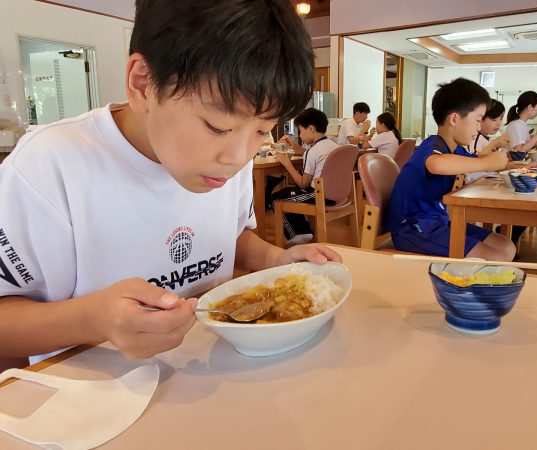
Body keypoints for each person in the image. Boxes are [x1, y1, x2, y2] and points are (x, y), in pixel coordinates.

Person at [0, 0, 340, 367]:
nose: (238, 156)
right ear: (143, 83)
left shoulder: (229, 160)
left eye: (262, 130)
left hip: (213, 371)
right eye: (217, 127)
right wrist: (93, 319)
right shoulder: (50, 165)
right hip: (94, 392)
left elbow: (228, 237)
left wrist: (276, 258)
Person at [384, 78, 515, 261]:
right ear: (454, 119)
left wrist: (515, 166)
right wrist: (487, 164)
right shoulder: (432, 145)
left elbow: (476, 159)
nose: (479, 127)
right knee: (495, 257)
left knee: (506, 247)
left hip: (438, 222)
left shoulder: (455, 149)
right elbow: (437, 164)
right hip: (413, 228)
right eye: (478, 120)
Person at [268, 108, 338, 246]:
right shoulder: (332, 145)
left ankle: (297, 233)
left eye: (300, 131)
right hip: (336, 195)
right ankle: (302, 231)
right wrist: (295, 146)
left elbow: (303, 184)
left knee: (275, 199)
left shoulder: (313, 152)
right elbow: (311, 154)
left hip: (318, 195)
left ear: (310, 129)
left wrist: (287, 163)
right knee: (291, 193)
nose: (300, 135)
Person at [505, 91, 537, 161]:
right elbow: (518, 152)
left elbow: (526, 147)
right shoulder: (516, 125)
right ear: (530, 107)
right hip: (511, 165)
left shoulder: (522, 124)